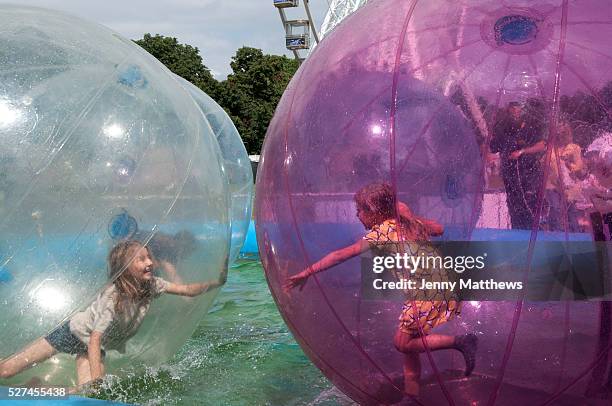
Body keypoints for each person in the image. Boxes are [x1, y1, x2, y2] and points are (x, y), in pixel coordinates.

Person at [284, 182, 477, 397]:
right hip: (439, 283)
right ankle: (411, 395)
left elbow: (340, 255)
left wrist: (307, 272)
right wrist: (409, 216)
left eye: (360, 210)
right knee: (410, 348)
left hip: (428, 290)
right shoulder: (406, 223)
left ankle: (461, 342)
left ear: (374, 212)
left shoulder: (380, 234)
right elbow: (438, 229)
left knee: (402, 343)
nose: (357, 215)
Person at [0, 240, 225, 386]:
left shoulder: (152, 286)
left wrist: (217, 281)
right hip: (72, 333)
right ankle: (32, 384)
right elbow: (95, 338)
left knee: (86, 394)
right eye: (141, 259)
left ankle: (37, 387)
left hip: (93, 345)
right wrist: (99, 378)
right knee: (6, 371)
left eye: (149, 257)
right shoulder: (113, 297)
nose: (149, 262)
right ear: (125, 267)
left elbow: (187, 290)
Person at [490, 101, 546, 229]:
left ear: (521, 112)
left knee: (529, 205)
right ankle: (518, 233)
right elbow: (493, 149)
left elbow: (542, 145)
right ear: (508, 111)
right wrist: (490, 150)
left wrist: (522, 151)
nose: (515, 113)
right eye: (512, 110)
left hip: (529, 174)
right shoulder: (502, 131)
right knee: (514, 206)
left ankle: (532, 233)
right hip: (510, 176)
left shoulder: (529, 129)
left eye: (517, 110)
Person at [542, 119, 585, 232]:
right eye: (558, 133)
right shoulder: (550, 149)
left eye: (563, 133)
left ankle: (575, 232)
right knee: (555, 207)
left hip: (568, 183)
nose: (560, 135)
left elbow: (579, 166)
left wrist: (569, 164)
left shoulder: (574, 148)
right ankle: (555, 231)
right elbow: (543, 164)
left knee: (571, 209)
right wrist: (544, 163)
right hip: (552, 183)